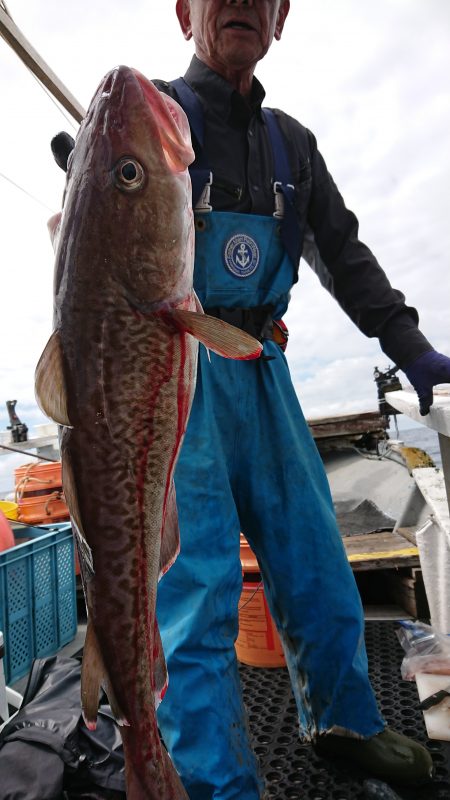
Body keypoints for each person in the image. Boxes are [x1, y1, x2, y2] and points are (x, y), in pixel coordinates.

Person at [151, 1, 450, 798]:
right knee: (198, 589)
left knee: (317, 560)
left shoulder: (295, 146)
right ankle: (212, 780)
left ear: (281, 17)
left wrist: (413, 350)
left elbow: (345, 258)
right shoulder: (152, 115)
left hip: (265, 365)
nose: (244, 3)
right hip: (181, 373)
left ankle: (345, 722)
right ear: (186, 11)